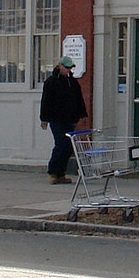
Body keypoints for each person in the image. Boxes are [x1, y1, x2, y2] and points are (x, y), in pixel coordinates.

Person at [39, 53, 87, 186]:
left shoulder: (72, 82)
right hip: (56, 119)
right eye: (66, 68)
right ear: (59, 66)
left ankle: (61, 173)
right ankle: (53, 172)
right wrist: (44, 119)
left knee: (68, 147)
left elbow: (79, 99)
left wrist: (83, 114)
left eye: (70, 68)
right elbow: (46, 101)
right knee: (61, 144)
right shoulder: (51, 82)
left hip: (70, 119)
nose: (68, 70)